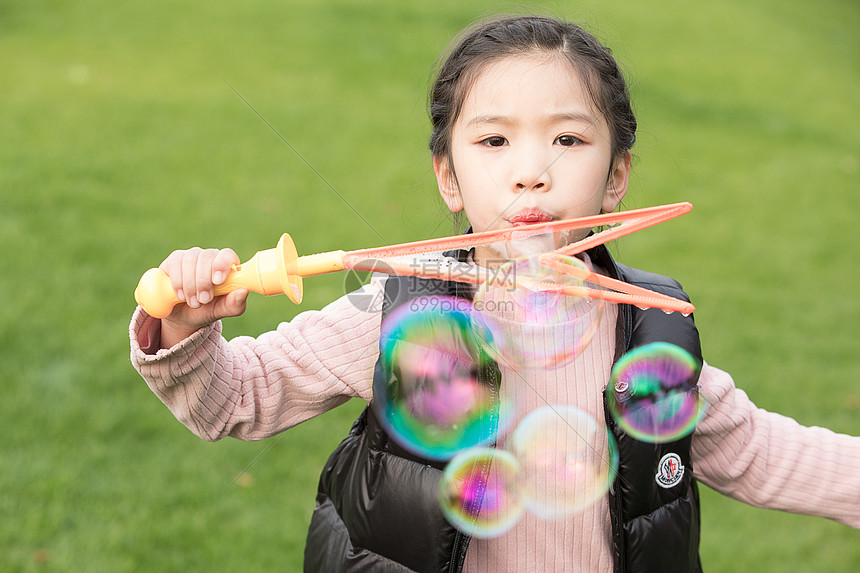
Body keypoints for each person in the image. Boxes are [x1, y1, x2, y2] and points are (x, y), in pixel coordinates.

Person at [129, 15, 860, 573]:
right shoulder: (396, 311)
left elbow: (769, 453)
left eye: (569, 141)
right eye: (494, 142)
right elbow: (233, 400)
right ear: (449, 176)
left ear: (618, 176)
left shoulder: (651, 336)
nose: (532, 172)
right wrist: (185, 331)